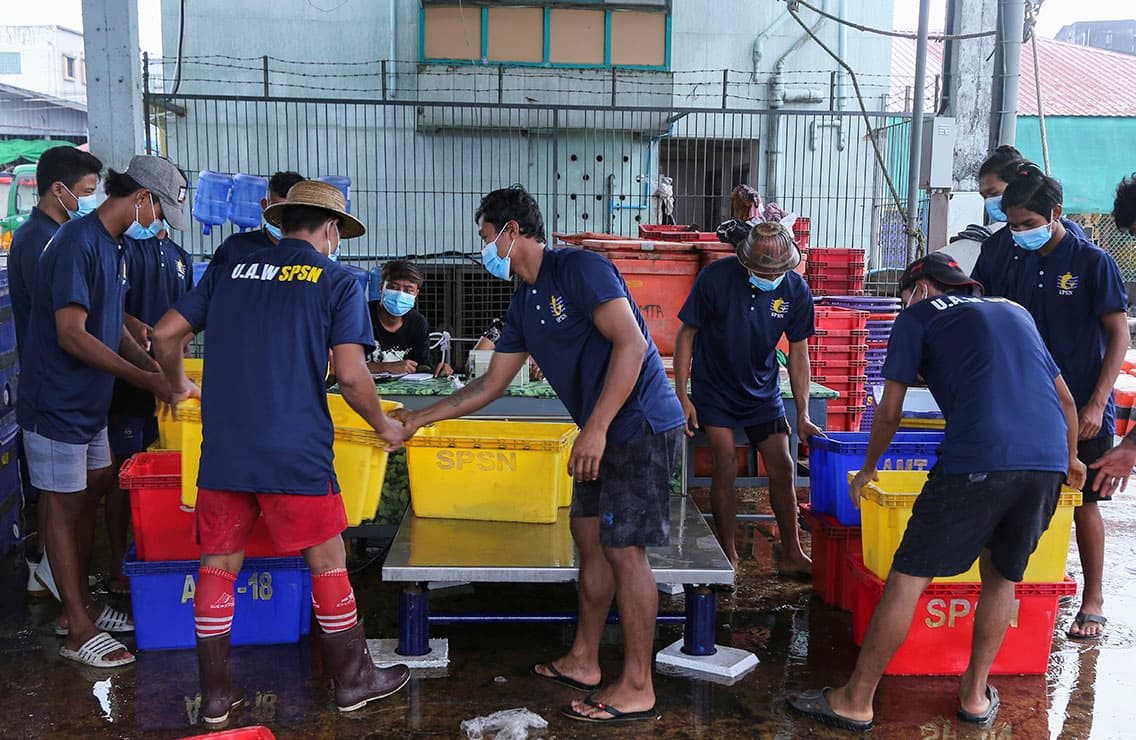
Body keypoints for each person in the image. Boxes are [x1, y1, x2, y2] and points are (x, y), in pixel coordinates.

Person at [393, 184, 685, 725]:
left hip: (638, 424)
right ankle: (585, 659)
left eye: (487, 237)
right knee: (590, 540)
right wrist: (418, 419)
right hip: (601, 431)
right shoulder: (524, 301)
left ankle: (639, 685)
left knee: (626, 552)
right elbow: (487, 387)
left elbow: (633, 344)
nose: (485, 250)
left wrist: (594, 428)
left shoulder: (579, 269)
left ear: (512, 231)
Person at [789, 252, 1085, 732]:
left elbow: (889, 411)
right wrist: (1070, 460)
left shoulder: (918, 316)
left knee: (909, 576)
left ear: (920, 286)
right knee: (1002, 578)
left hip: (978, 459)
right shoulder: (1015, 311)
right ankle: (973, 695)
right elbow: (1065, 400)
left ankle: (855, 699)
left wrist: (867, 469)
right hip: (1046, 459)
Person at [151, 180, 409, 725]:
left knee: (218, 565)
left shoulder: (228, 272)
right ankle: (353, 680)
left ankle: (217, 697)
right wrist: (383, 423)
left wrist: (175, 386)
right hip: (295, 449)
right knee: (328, 561)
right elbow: (352, 375)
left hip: (225, 447)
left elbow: (164, 335)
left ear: (285, 221)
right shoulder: (336, 281)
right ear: (332, 229)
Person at [18, 155, 186, 668]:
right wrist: (143, 377)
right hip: (58, 402)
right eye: (158, 209)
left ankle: (79, 605)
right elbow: (72, 334)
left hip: (89, 404)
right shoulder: (75, 243)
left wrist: (159, 375)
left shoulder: (112, 248)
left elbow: (112, 326)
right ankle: (76, 627)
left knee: (92, 489)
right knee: (65, 510)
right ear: (140, 197)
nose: (157, 222)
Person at [972, 164, 1128, 640]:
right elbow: (980, 306)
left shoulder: (1092, 261)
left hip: (1081, 403)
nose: (1017, 233)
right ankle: (1016, 591)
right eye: (1012, 224)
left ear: (1054, 214)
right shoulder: (1003, 251)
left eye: (1026, 224)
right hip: (1018, 399)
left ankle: (1093, 598)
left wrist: (1098, 403)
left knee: (1083, 500)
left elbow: (1118, 334)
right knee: (1008, 493)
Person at [674, 222, 821, 574]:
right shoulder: (715, 278)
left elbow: (799, 354)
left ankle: (793, 553)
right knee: (724, 460)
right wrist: (683, 395)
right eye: (760, 270)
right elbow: (685, 336)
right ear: (745, 262)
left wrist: (802, 413)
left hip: (763, 390)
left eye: (776, 271)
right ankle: (728, 553)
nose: (768, 276)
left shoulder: (795, 290)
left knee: (783, 463)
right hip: (715, 388)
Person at [7, 145, 103, 598]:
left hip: (74, 384)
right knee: (59, 495)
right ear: (58, 189)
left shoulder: (62, 233)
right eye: (86, 192)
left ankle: (50, 569)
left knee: (65, 492)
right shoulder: (39, 240)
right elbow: (63, 324)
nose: (90, 200)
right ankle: (55, 581)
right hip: (52, 383)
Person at [104, 224, 195, 593]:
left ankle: (157, 554)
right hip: (128, 382)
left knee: (161, 477)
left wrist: (176, 355)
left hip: (170, 386)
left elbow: (189, 320)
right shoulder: (122, 249)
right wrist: (135, 330)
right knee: (122, 476)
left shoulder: (181, 258)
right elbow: (107, 307)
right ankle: (116, 565)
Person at [201, 170, 305, 279]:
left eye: (293, 211)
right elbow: (208, 291)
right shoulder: (235, 248)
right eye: (277, 211)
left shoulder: (316, 253)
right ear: (265, 206)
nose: (285, 219)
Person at [366, 259, 452, 377]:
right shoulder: (360, 316)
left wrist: (438, 370)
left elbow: (422, 365)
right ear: (381, 288)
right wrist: (388, 367)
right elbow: (343, 365)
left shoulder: (418, 323)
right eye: (394, 287)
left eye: (408, 290)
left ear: (416, 294)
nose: (400, 294)